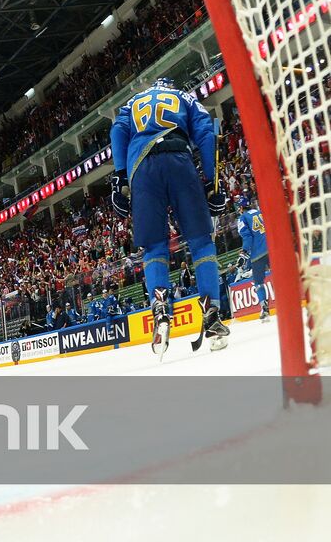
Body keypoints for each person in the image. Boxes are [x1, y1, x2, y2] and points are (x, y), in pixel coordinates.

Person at [110, 77, 230, 357]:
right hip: (178, 158)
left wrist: (119, 179)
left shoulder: (133, 103)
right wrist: (213, 184)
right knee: (201, 241)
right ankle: (211, 315)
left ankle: (161, 310)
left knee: (154, 246)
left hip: (141, 168)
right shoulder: (185, 97)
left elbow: (117, 131)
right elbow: (206, 133)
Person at [236, 194, 273, 321]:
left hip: (257, 254)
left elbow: (248, 237)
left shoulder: (242, 218)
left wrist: (243, 252)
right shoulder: (260, 212)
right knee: (279, 275)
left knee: (258, 283)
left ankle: (264, 307)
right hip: (271, 248)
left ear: (241, 208)